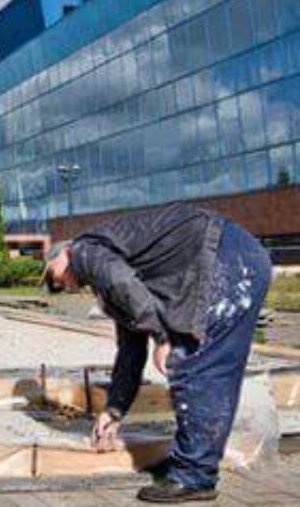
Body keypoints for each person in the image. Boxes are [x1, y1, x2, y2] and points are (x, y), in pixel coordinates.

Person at [43, 203, 271, 503]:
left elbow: (123, 284)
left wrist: (162, 338)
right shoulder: (112, 276)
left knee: (193, 365)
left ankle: (194, 475)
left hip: (224, 256)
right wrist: (114, 410)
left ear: (62, 253)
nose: (58, 285)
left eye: (53, 277)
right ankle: (193, 464)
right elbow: (130, 350)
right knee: (207, 368)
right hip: (236, 258)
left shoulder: (84, 250)